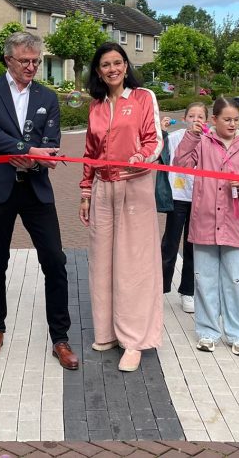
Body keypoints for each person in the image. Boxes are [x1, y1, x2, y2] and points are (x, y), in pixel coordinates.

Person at [0, 32, 78, 370]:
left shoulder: (47, 96)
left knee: (55, 260)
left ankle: (60, 337)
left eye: (36, 61)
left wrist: (34, 158)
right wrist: (27, 150)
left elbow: (52, 139)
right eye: (25, 61)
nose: (32, 67)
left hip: (35, 188)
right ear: (8, 61)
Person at [78, 42, 163, 373]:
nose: (112, 69)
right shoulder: (96, 106)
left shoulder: (143, 98)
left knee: (133, 265)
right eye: (105, 64)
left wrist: (140, 159)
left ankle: (134, 340)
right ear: (98, 71)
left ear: (126, 66)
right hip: (103, 188)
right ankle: (107, 332)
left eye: (117, 62)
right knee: (101, 262)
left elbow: (154, 139)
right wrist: (86, 191)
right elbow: (89, 151)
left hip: (135, 185)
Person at [173, 97, 239, 356]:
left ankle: (237, 333)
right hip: (204, 220)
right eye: (227, 119)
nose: (232, 124)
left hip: (233, 223)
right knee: (205, 279)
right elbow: (181, 163)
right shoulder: (202, 143)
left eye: (236, 119)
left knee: (234, 280)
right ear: (214, 120)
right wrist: (190, 135)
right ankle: (207, 331)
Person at [159, 102, 209, 314]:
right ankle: (160, 290)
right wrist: (161, 130)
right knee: (169, 244)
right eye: (192, 116)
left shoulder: (209, 140)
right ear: (185, 118)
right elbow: (157, 150)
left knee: (192, 247)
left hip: (200, 198)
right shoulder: (176, 136)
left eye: (200, 117)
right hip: (177, 196)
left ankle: (187, 292)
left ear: (206, 121)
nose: (196, 120)